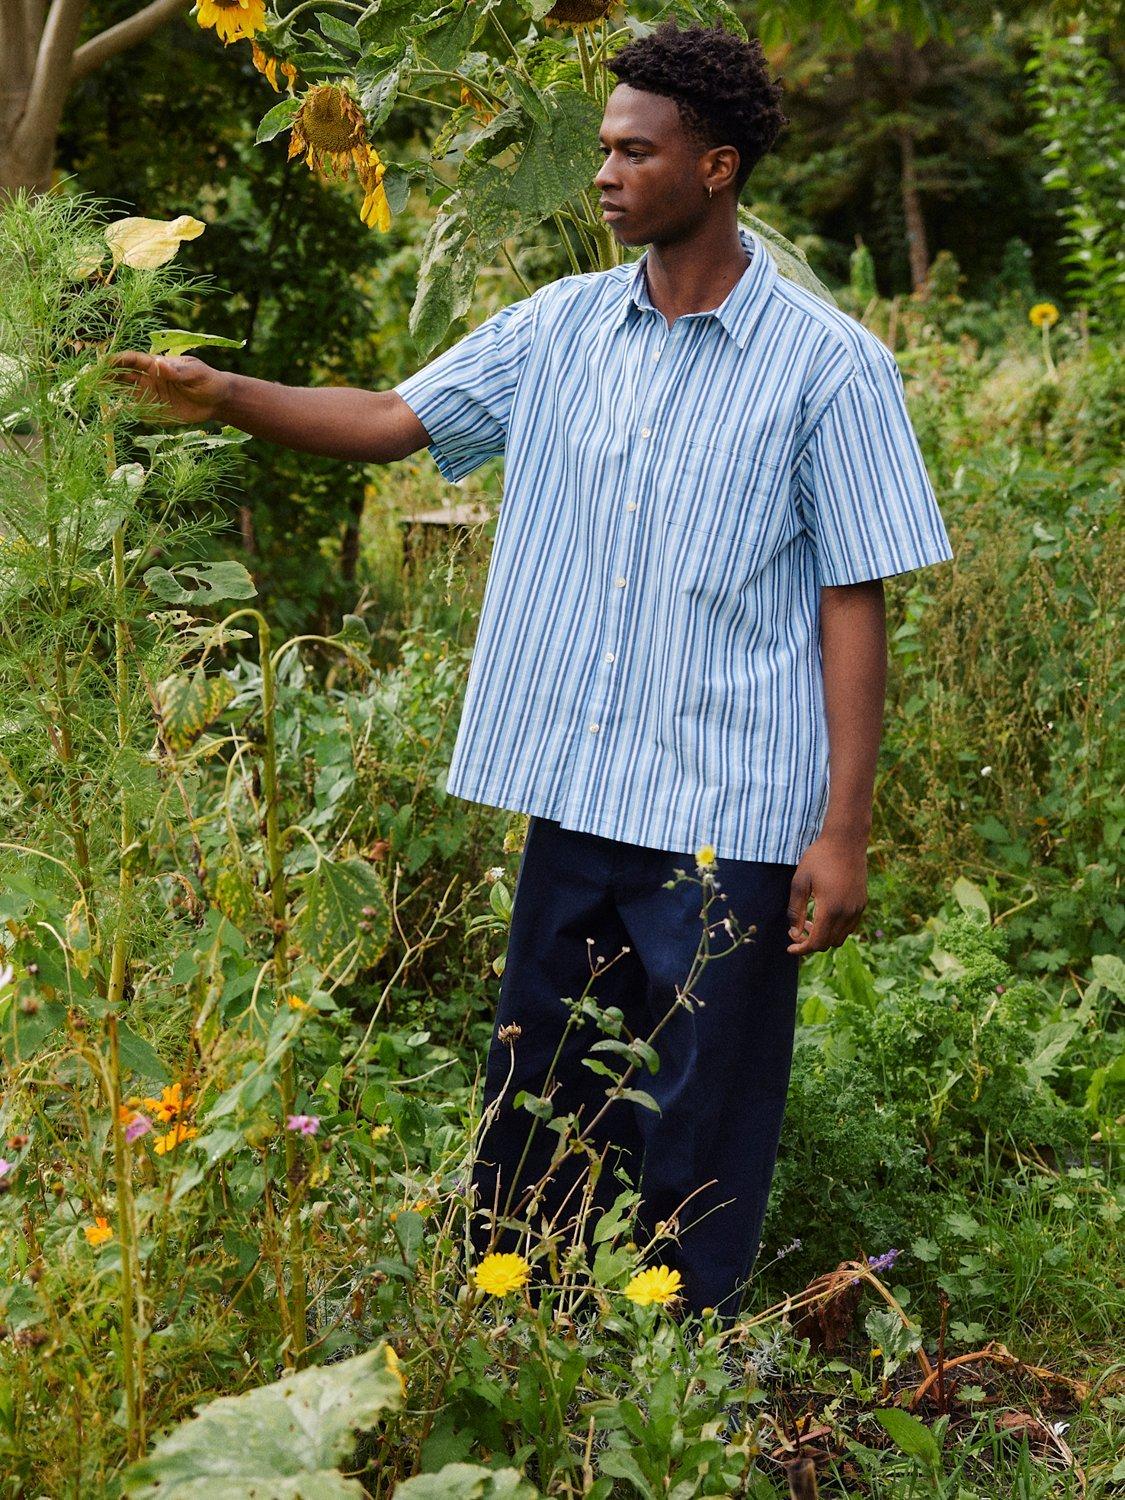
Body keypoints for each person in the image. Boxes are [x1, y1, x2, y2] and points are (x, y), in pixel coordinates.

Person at [113, 21, 953, 1323]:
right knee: (538, 1094)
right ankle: (516, 1335)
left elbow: (856, 596)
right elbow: (391, 419)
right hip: (576, 791)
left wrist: (841, 833)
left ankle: (674, 1361)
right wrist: (224, 392)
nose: (604, 173)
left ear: (717, 166)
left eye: (635, 152)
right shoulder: (558, 329)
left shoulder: (828, 367)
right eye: (604, 148)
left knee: (697, 1116)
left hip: (727, 813)